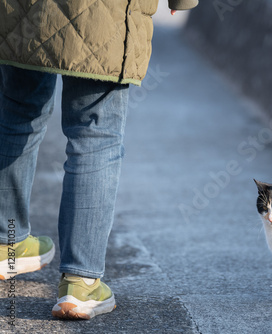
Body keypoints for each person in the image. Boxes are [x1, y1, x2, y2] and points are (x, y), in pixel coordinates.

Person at [0, 0, 198, 320]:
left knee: (15, 116)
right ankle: (81, 283)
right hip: (105, 15)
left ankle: (5, 244)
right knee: (95, 136)